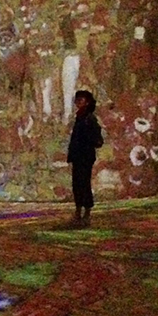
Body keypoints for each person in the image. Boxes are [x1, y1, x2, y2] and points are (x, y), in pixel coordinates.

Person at [66, 89, 103, 227]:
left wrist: (87, 142)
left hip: (85, 156)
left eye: (80, 100)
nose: (78, 103)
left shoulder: (89, 119)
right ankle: (78, 211)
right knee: (77, 184)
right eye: (77, 100)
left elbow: (97, 140)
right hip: (78, 156)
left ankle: (86, 213)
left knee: (84, 184)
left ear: (87, 102)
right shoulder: (80, 117)